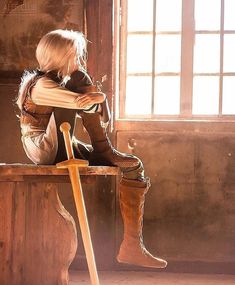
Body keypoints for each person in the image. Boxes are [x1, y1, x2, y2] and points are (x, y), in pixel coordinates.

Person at [16, 29, 167, 268]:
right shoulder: (41, 84)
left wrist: (98, 100)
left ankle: (131, 245)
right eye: (75, 55)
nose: (79, 60)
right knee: (80, 80)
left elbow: (96, 111)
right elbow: (81, 104)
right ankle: (103, 148)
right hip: (42, 146)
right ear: (60, 56)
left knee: (133, 165)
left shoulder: (62, 82)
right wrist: (98, 99)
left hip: (64, 142)